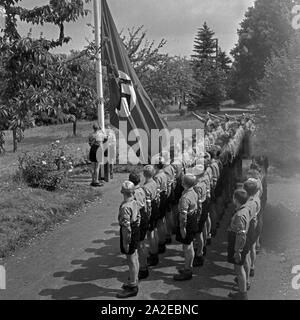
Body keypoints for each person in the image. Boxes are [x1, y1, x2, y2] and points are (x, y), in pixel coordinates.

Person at [117, 181, 140, 299]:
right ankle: (134, 279)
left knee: (130, 259)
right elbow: (139, 216)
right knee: (135, 256)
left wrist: (126, 242)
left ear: (122, 192)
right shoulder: (134, 201)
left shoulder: (125, 207)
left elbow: (126, 228)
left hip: (129, 232)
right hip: (135, 228)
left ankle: (133, 286)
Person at [227, 189, 251, 300]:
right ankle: (242, 291)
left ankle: (242, 294)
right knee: (240, 268)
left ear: (236, 200)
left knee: (239, 269)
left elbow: (241, 235)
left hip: (238, 244)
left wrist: (237, 251)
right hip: (240, 242)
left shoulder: (240, 215)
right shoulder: (245, 209)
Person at [174, 173, 198, 281]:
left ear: (184, 183)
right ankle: (188, 267)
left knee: (187, 247)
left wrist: (182, 228)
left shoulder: (185, 198)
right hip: (192, 219)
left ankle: (187, 270)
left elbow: (183, 217)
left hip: (187, 223)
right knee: (189, 245)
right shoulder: (193, 192)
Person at [128, 171, 148, 280]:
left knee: (138, 245)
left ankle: (142, 268)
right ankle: (143, 266)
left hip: (138, 216)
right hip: (143, 213)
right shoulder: (142, 189)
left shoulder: (133, 193)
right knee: (142, 242)